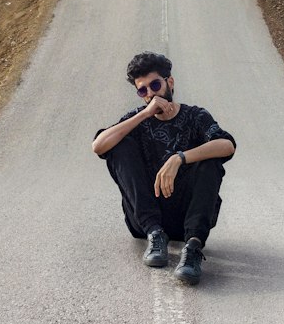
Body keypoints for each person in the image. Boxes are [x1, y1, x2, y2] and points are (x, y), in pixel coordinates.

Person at [92, 50, 236, 285]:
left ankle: (192, 248)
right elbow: (98, 146)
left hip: (188, 218)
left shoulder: (195, 116)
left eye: (155, 85)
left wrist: (179, 158)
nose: (150, 94)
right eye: (142, 90)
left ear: (170, 82)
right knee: (118, 144)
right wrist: (145, 114)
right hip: (145, 220)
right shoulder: (137, 118)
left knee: (211, 156)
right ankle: (156, 236)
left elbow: (227, 145)